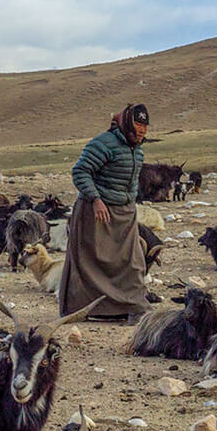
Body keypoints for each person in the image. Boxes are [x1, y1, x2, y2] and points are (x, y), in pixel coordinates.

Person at [59, 102, 150, 321]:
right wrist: (96, 199)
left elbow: (133, 181)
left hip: (125, 212)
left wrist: (131, 202)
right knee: (90, 263)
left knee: (132, 261)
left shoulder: (136, 149)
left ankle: (133, 307)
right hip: (96, 211)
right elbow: (81, 171)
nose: (142, 129)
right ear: (128, 122)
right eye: (138, 123)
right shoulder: (103, 143)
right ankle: (86, 309)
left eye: (145, 126)